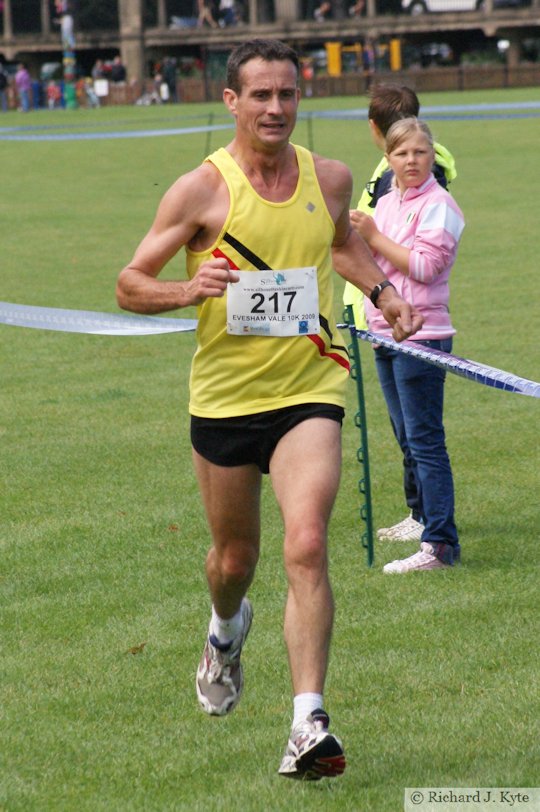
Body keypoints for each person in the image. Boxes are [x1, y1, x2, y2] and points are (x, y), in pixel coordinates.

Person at [116, 39, 422, 781]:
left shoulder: (333, 177)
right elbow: (129, 282)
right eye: (260, 95)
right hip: (224, 400)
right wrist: (187, 291)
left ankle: (307, 723)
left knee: (307, 543)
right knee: (233, 562)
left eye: (287, 94)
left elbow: (340, 240)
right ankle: (225, 630)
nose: (276, 108)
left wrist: (383, 294)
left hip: (309, 390)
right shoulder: (200, 192)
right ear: (232, 102)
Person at [343, 83, 457, 544]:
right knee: (407, 439)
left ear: (432, 156)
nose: (411, 160)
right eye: (402, 153)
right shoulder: (386, 203)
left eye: (420, 152)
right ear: (387, 159)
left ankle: (439, 540)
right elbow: (367, 263)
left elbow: (427, 267)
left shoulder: (440, 205)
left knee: (425, 442)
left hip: (423, 334)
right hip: (382, 333)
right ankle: (422, 519)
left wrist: (371, 237)